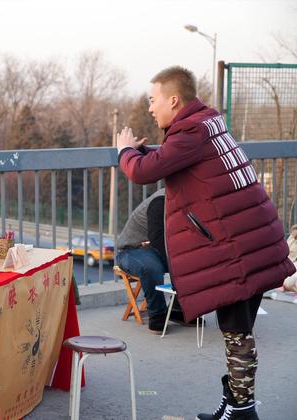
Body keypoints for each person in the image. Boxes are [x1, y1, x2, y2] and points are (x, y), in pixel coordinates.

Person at [117, 66, 294, 420]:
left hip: (237, 250)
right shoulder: (204, 123)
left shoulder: (190, 132)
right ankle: (235, 403)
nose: (150, 108)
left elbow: (142, 172)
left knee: (236, 333)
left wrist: (124, 152)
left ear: (173, 100)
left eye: (152, 100)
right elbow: (171, 158)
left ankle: (242, 411)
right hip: (252, 241)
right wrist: (145, 150)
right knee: (237, 331)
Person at [117, 188, 175, 333]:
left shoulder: (189, 200)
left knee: (192, 260)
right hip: (131, 250)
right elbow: (157, 239)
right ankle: (157, 315)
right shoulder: (160, 201)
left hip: (152, 249)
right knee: (151, 268)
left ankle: (178, 309)